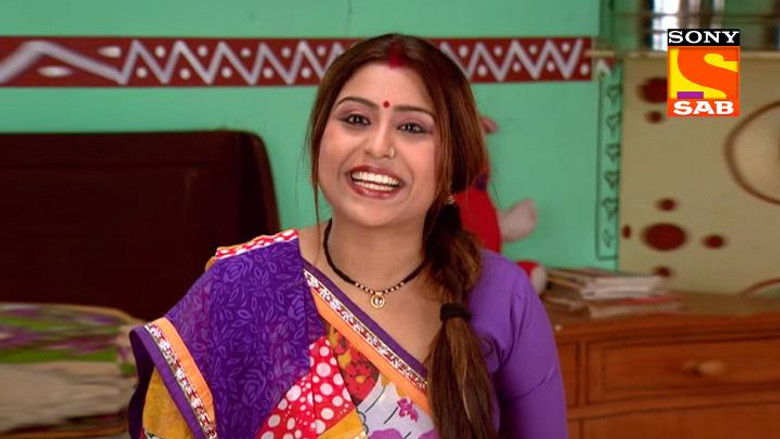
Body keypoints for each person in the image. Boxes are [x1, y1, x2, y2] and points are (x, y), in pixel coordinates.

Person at [128, 33, 568, 439]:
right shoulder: (239, 287)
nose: (377, 147)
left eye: (412, 127)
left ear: (452, 165)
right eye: (356, 119)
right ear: (320, 139)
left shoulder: (502, 295)